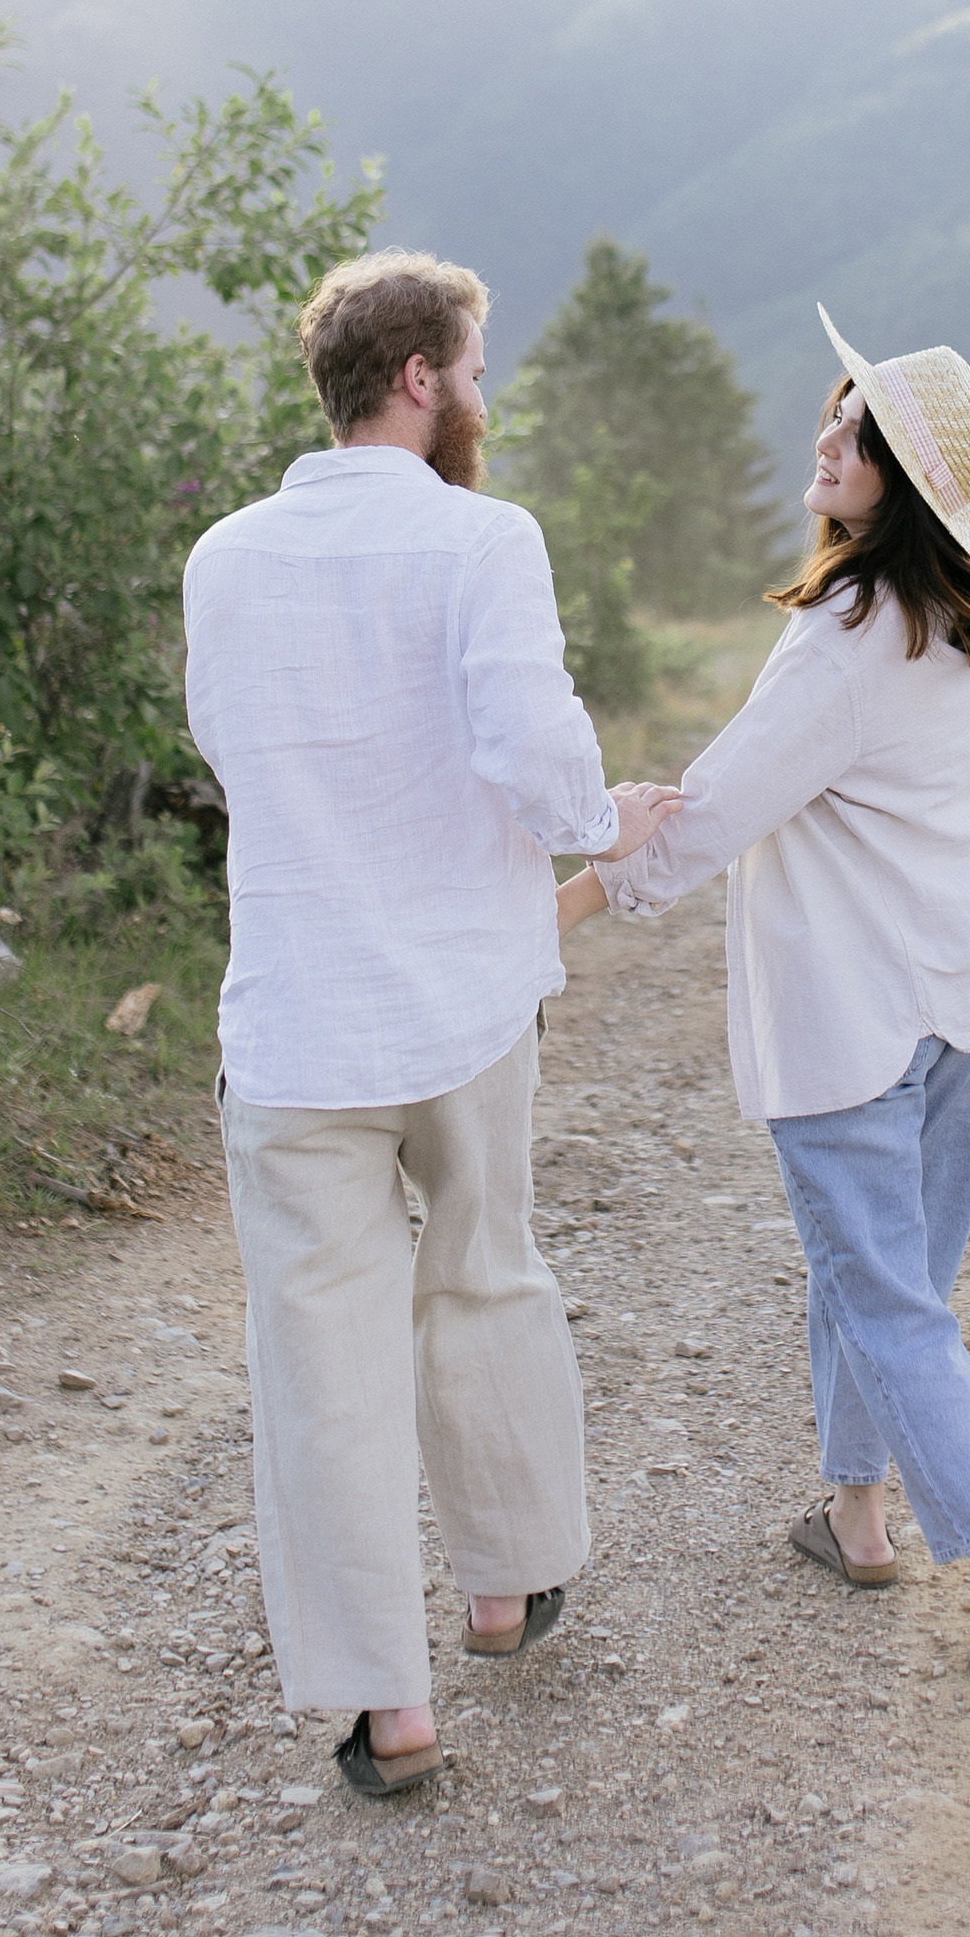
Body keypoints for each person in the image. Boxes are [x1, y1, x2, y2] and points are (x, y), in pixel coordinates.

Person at [182, 250, 680, 1799]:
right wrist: (604, 828)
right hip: (462, 999)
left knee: (316, 1355)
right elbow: (531, 744)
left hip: (295, 1018)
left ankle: (381, 1708)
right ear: (420, 379)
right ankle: (503, 1581)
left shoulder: (224, 555)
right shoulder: (484, 537)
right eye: (473, 368)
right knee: (483, 1274)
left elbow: (232, 755)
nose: (482, 396)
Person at [558, 307, 970, 1685]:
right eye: (835, 414)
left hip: (856, 1020)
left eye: (858, 433)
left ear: (897, 484)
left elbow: (708, 814)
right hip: (960, 1005)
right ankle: (857, 1512)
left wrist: (545, 920)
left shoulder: (848, 633)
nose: (825, 439)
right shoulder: (962, 601)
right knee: (891, 1281)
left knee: (891, 1298)